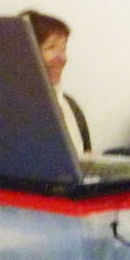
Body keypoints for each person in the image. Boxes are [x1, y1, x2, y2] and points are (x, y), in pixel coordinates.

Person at [19, 9, 91, 153]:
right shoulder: (9, 110)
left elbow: (87, 155)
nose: (62, 58)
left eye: (63, 49)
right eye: (51, 47)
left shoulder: (70, 106)